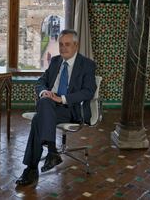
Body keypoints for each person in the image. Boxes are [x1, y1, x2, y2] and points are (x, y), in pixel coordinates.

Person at [16, 29, 96, 186]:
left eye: (67, 44)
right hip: (50, 106)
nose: (63, 48)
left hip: (72, 109)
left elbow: (88, 91)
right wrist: (44, 91)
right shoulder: (55, 61)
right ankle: (51, 152)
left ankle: (32, 169)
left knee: (39, 119)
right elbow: (41, 81)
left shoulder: (87, 65)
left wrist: (62, 98)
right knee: (44, 103)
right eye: (61, 44)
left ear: (76, 45)